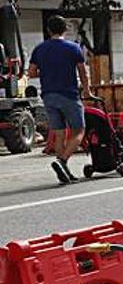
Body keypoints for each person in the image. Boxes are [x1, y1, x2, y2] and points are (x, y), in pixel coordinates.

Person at [28, 15, 94, 184]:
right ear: (65, 29)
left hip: (49, 96)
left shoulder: (39, 49)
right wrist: (86, 91)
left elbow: (32, 73)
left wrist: (48, 72)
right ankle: (62, 161)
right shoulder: (73, 48)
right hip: (69, 95)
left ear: (48, 30)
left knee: (59, 134)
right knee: (79, 131)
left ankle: (63, 171)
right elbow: (82, 72)